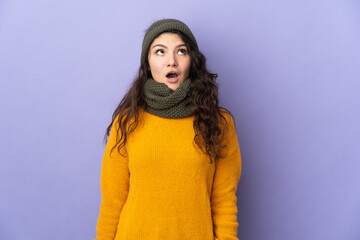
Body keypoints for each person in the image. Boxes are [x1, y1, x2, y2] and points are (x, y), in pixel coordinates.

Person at [95, 18, 242, 240]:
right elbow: (112, 202)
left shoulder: (219, 123)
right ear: (148, 62)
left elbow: (224, 201)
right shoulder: (127, 122)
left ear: (192, 60)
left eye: (181, 51)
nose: (171, 61)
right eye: (160, 52)